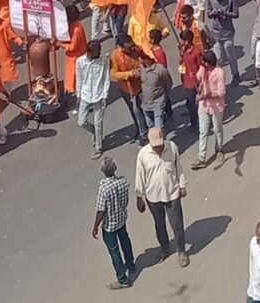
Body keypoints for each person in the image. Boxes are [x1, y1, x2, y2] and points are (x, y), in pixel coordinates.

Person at [135, 127, 189, 267]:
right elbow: (140, 176)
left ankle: (181, 250)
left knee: (177, 224)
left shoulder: (172, 147)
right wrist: (139, 197)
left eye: (160, 145)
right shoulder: (143, 155)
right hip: (153, 197)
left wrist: (182, 185)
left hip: (172, 193)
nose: (158, 148)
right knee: (159, 225)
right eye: (155, 146)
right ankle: (165, 248)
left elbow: (178, 168)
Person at [93, 156, 137, 290]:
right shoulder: (123, 182)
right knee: (125, 242)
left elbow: (101, 210)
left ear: (102, 170)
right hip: (121, 219)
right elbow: (126, 201)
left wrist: (95, 227)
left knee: (114, 252)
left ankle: (122, 279)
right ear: (115, 168)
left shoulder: (104, 189)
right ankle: (131, 265)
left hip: (109, 226)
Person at [192, 49, 226, 168]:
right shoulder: (203, 69)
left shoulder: (219, 73)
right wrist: (194, 76)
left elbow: (221, 93)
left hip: (216, 106)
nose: (202, 64)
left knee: (217, 129)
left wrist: (206, 96)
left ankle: (219, 148)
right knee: (203, 131)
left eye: (204, 62)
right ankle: (202, 157)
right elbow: (198, 77)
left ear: (209, 63)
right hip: (204, 106)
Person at [76, 40, 110, 158]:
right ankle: (95, 132)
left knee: (98, 123)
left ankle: (98, 148)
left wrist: (105, 96)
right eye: (97, 51)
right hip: (85, 95)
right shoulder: (80, 62)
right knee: (81, 122)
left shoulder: (104, 60)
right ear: (90, 52)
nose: (100, 53)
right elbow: (79, 78)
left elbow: (106, 78)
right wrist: (78, 95)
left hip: (99, 95)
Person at [110, 36, 147, 144]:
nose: (132, 48)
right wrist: (129, 74)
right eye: (129, 47)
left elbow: (146, 60)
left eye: (132, 45)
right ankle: (140, 130)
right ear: (121, 47)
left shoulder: (137, 49)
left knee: (146, 110)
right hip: (127, 89)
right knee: (135, 111)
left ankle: (146, 131)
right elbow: (113, 75)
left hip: (142, 85)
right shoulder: (115, 55)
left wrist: (142, 68)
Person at [206, 0, 240, 84]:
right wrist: (213, 13)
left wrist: (225, 13)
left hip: (228, 32)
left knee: (230, 55)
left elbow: (236, 14)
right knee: (218, 58)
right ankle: (220, 80)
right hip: (216, 32)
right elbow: (208, 13)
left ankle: (235, 74)